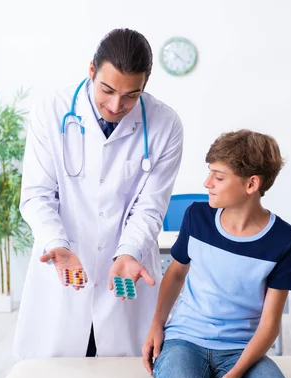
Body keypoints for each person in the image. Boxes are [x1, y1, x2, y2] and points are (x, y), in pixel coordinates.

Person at [13, 28, 184, 359]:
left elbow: (150, 207)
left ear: (145, 86)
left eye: (131, 95)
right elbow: (37, 195)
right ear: (91, 70)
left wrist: (129, 251)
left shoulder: (165, 125)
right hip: (64, 267)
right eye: (107, 89)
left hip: (124, 274)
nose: (116, 105)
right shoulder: (51, 110)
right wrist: (57, 244)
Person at [142, 130, 291, 378]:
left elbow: (270, 324)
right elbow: (176, 273)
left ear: (252, 184)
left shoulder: (285, 241)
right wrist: (157, 324)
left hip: (244, 348)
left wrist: (237, 372)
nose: (207, 183)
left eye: (218, 177)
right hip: (185, 341)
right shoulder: (197, 216)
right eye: (209, 173)